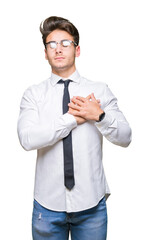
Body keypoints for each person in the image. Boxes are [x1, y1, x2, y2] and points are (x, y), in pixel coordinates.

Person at [17, 16, 132, 240]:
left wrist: (98, 115)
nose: (58, 49)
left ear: (77, 50)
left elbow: (126, 137)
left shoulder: (99, 90)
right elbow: (27, 139)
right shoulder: (33, 94)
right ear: (45, 53)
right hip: (47, 207)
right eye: (52, 44)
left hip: (91, 205)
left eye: (65, 43)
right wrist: (71, 119)